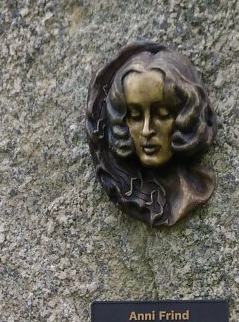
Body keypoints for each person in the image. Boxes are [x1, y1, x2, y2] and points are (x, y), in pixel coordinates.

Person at [86, 42, 215, 227]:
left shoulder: (195, 188)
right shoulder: (125, 187)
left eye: (162, 114)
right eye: (136, 116)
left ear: (186, 115)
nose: (147, 130)